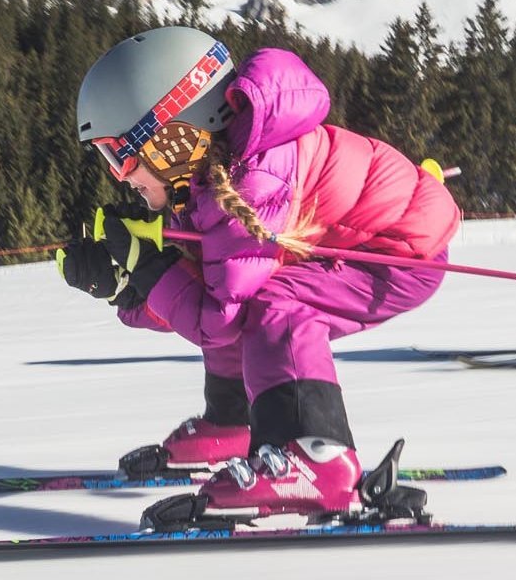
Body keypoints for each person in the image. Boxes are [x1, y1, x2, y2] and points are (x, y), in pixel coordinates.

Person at [58, 27, 460, 523]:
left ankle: (318, 459)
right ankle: (233, 423)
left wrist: (148, 267)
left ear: (172, 138)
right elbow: (208, 290)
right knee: (249, 297)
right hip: (375, 244)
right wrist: (128, 287)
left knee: (276, 307)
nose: (119, 175)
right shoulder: (213, 181)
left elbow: (217, 319)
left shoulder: (253, 179)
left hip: (396, 256)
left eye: (120, 154)